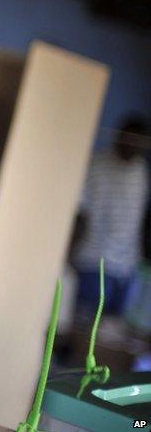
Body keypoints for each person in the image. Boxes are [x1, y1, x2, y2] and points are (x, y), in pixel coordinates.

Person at [73, 115, 150, 315]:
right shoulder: (96, 165)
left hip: (126, 267)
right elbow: (81, 213)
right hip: (94, 259)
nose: (135, 148)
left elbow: (138, 220)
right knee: (85, 323)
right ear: (120, 137)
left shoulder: (141, 172)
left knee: (111, 331)